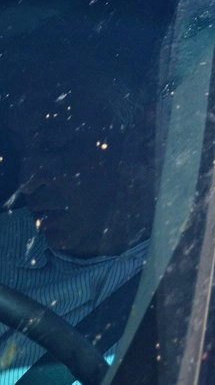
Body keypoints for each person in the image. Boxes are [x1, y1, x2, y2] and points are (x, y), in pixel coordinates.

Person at [0, 53, 156, 383]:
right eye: (22, 150)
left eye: (55, 145)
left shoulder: (202, 270)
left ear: (144, 139)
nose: (28, 181)